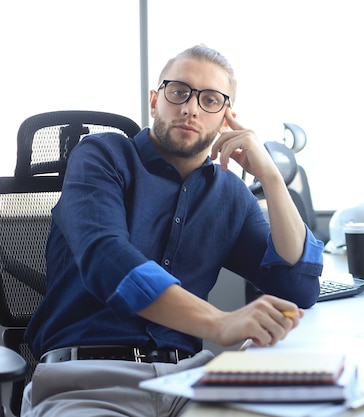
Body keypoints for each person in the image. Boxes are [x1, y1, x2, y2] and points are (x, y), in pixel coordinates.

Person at [21, 45, 324, 416]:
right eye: (179, 92)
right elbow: (107, 259)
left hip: (189, 383)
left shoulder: (230, 193)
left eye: (210, 100)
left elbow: (299, 287)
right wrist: (220, 322)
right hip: (89, 382)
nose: (191, 108)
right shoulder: (103, 155)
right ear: (155, 100)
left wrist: (272, 177)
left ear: (227, 117)